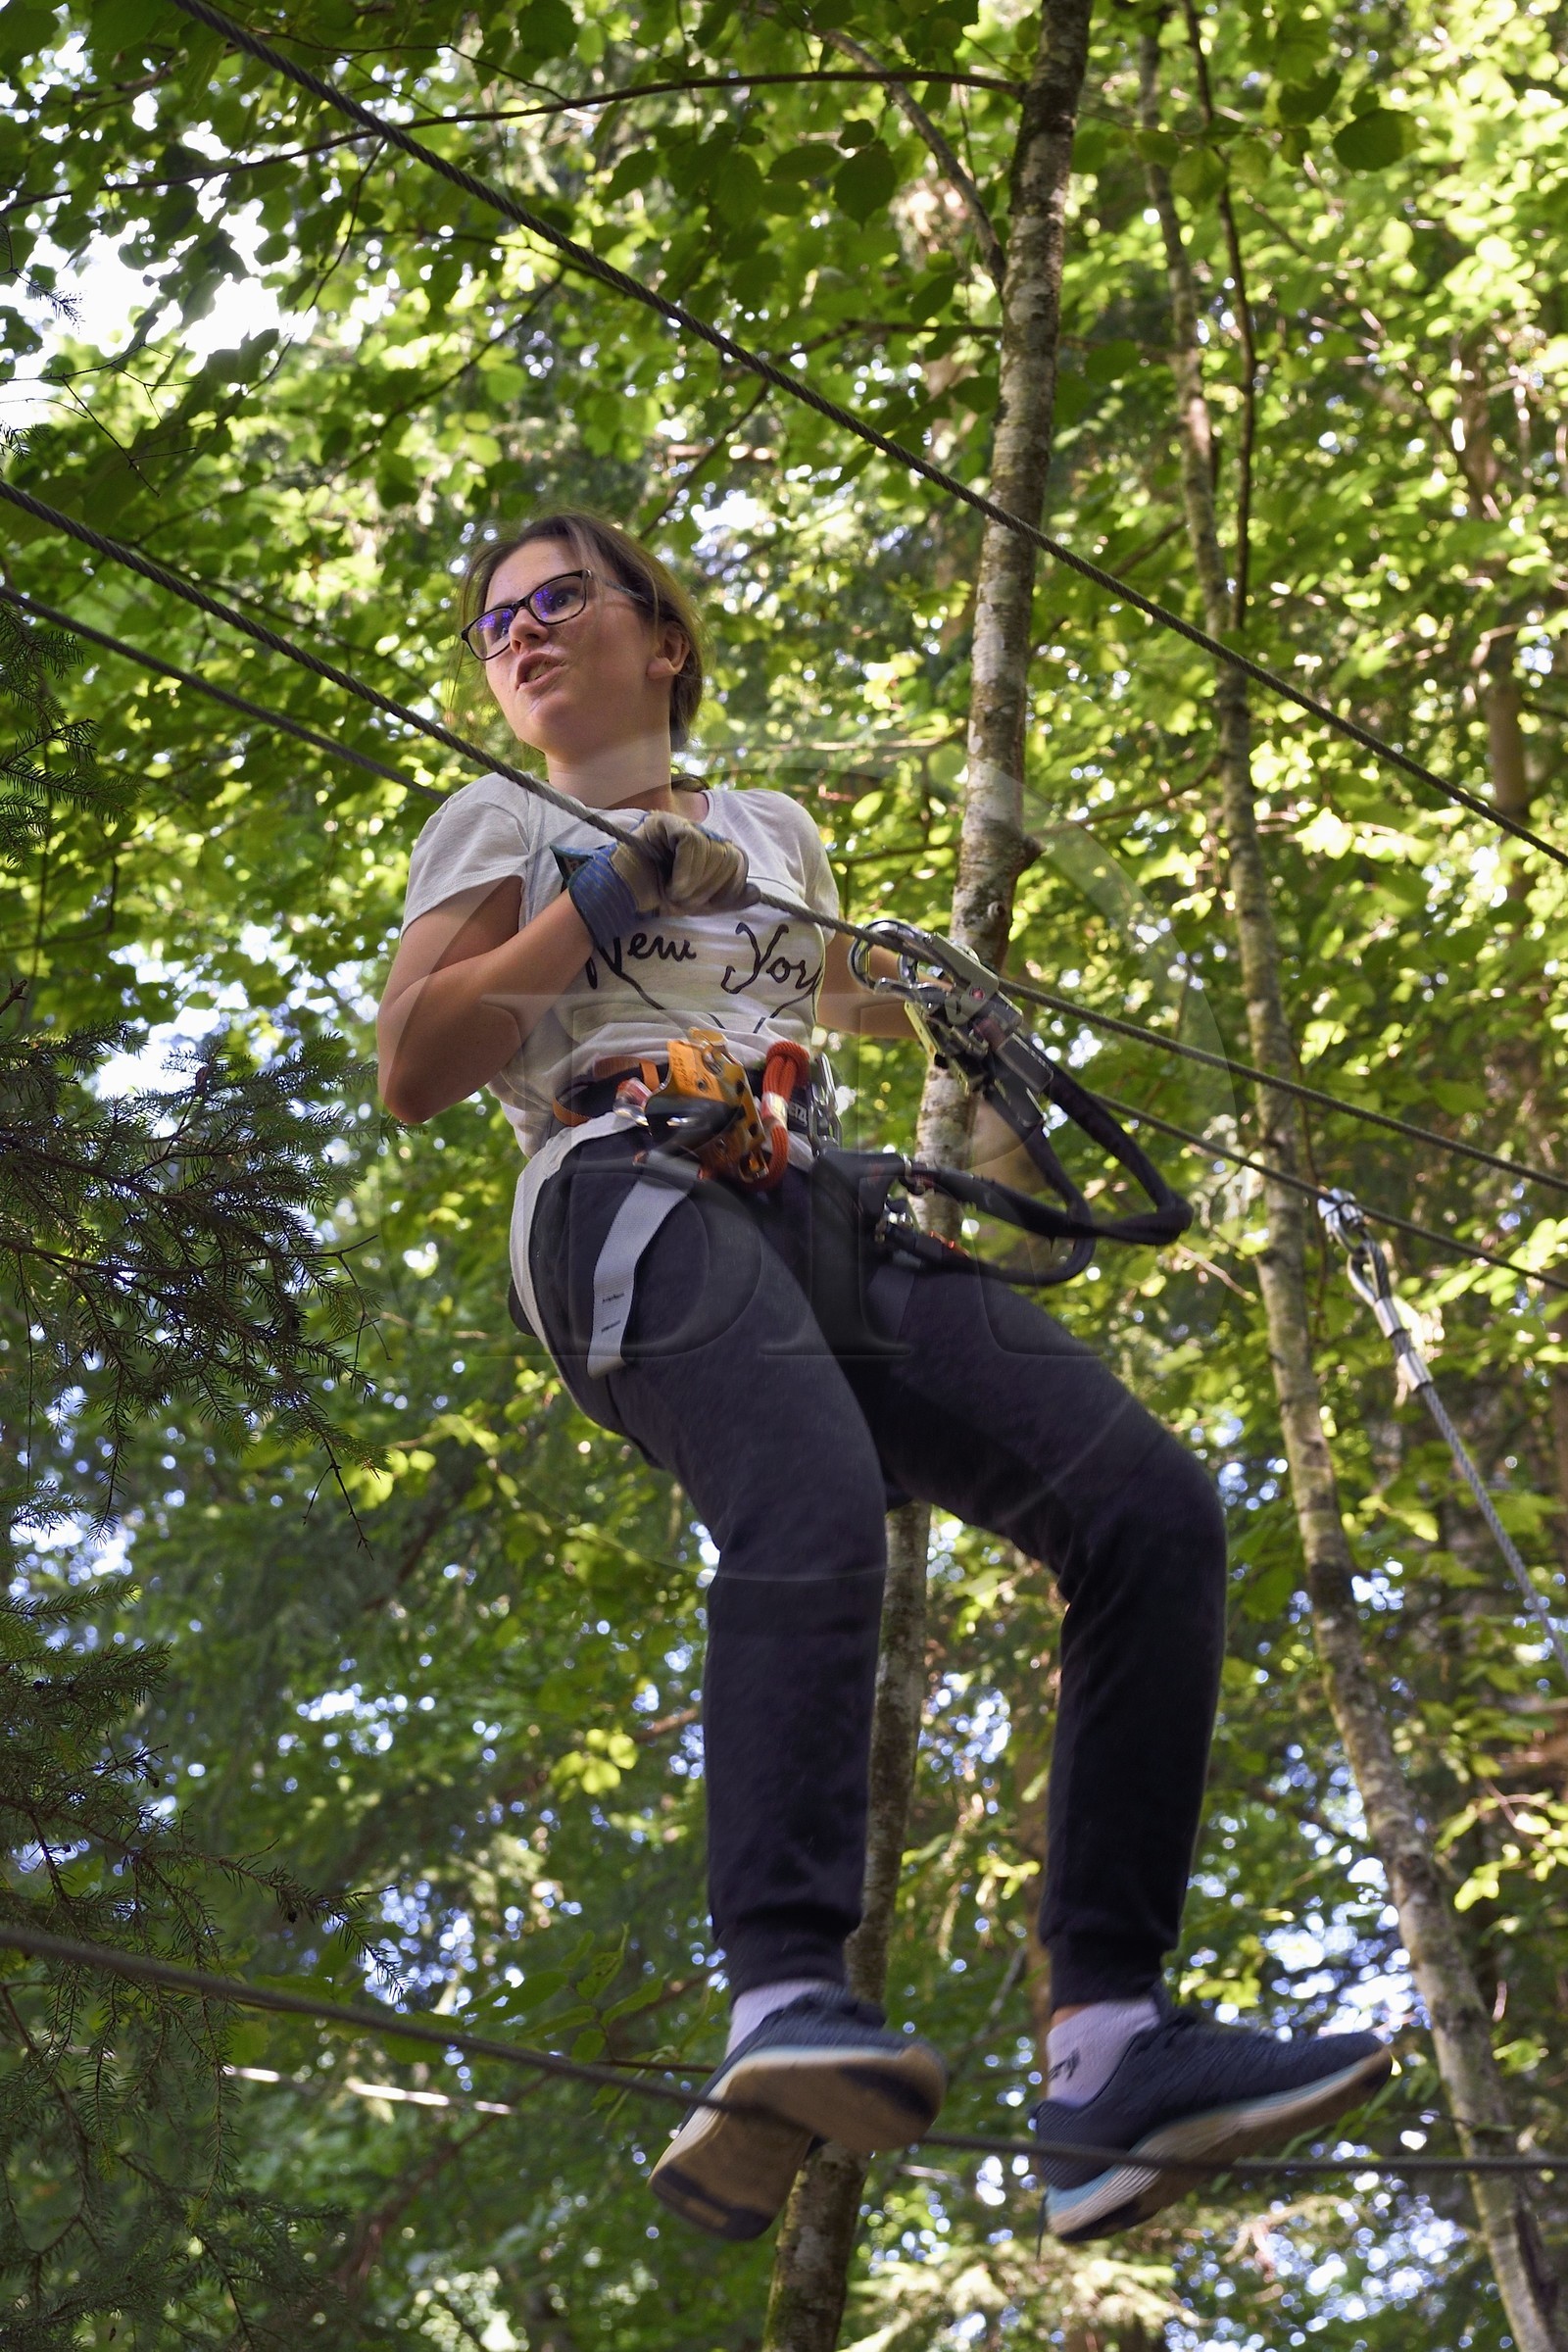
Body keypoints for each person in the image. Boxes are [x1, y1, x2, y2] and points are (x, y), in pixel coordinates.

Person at [376, 512, 1391, 2246]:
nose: (524, 634)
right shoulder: (502, 823)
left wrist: (947, 1007)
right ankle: (782, 1997)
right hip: (625, 1181)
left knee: (1148, 1509)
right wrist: (601, 897)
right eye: (496, 624)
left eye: (561, 599)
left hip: (810, 1196)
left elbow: (828, 989)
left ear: (662, 637)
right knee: (812, 1496)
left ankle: (1111, 2049)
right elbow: (417, 1058)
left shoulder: (773, 829)